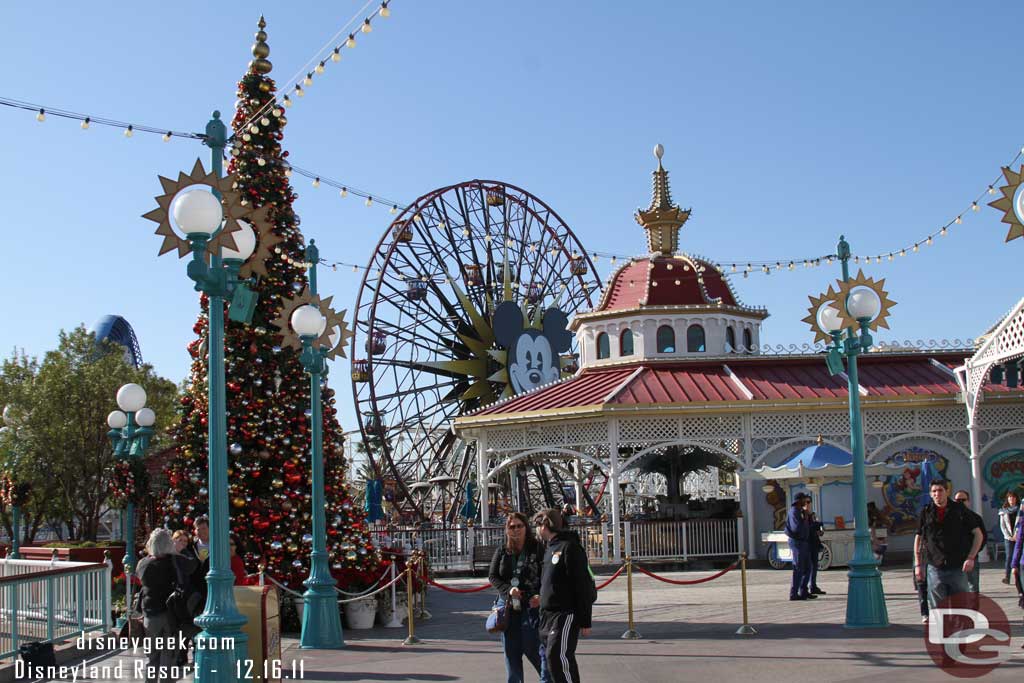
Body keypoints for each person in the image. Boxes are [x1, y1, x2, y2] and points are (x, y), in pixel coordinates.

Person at [532, 508, 592, 683]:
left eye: (537, 525)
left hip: (564, 614)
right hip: (547, 615)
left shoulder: (570, 548)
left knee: (558, 658)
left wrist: (585, 620)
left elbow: (583, 585)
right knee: (553, 661)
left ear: (544, 525)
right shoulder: (549, 548)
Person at [489, 512, 549, 683]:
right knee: (511, 651)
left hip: (531, 604)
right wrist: (508, 590)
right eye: (512, 526)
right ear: (507, 530)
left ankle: (547, 679)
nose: (516, 530)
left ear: (526, 527)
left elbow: (546, 575)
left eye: (519, 526)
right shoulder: (502, 550)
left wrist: (540, 595)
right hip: (508, 605)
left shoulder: (537, 548)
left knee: (534, 648)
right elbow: (493, 576)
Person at [135, 528, 196, 683]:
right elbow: (192, 567)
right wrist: (176, 553)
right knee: (169, 655)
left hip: (150, 614)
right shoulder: (173, 561)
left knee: (152, 656)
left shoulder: (143, 564)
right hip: (170, 614)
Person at [915, 480, 984, 610]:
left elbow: (978, 534)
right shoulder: (926, 512)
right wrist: (918, 564)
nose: (937, 494)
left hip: (957, 565)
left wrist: (971, 557)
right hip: (935, 566)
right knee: (938, 606)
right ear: (930, 494)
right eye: (934, 491)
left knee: (960, 605)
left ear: (947, 492)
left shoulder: (960, 510)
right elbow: (918, 538)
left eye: (940, 490)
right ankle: (943, 629)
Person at [952, 490, 986, 595]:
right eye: (958, 500)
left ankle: (973, 609)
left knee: (973, 587)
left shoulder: (976, 518)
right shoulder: (951, 518)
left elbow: (983, 537)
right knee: (957, 587)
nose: (961, 502)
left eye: (963, 500)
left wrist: (974, 552)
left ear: (969, 501)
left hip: (971, 557)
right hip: (954, 558)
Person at [785, 493, 815, 601]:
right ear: (799, 500)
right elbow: (796, 528)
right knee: (798, 568)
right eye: (804, 500)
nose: (806, 502)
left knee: (808, 567)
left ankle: (803, 591)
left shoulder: (801, 511)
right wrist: (804, 519)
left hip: (804, 543)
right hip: (797, 543)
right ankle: (794, 593)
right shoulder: (794, 512)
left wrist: (807, 515)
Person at [999, 490, 1019, 585]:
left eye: (1013, 497)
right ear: (1007, 499)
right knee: (1009, 557)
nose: (1012, 499)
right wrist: (1008, 536)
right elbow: (1002, 525)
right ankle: (1007, 577)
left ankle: (1018, 578)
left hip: (1019, 537)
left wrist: (1017, 535)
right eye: (1010, 497)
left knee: (1019, 557)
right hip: (1008, 538)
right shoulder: (1003, 510)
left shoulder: (1020, 509)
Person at [806, 507, 826, 595]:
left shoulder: (813, 515)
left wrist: (820, 530)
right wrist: (815, 526)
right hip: (807, 543)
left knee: (814, 566)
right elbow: (806, 529)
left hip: (814, 542)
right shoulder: (803, 515)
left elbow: (818, 531)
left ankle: (813, 585)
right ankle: (806, 587)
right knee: (808, 567)